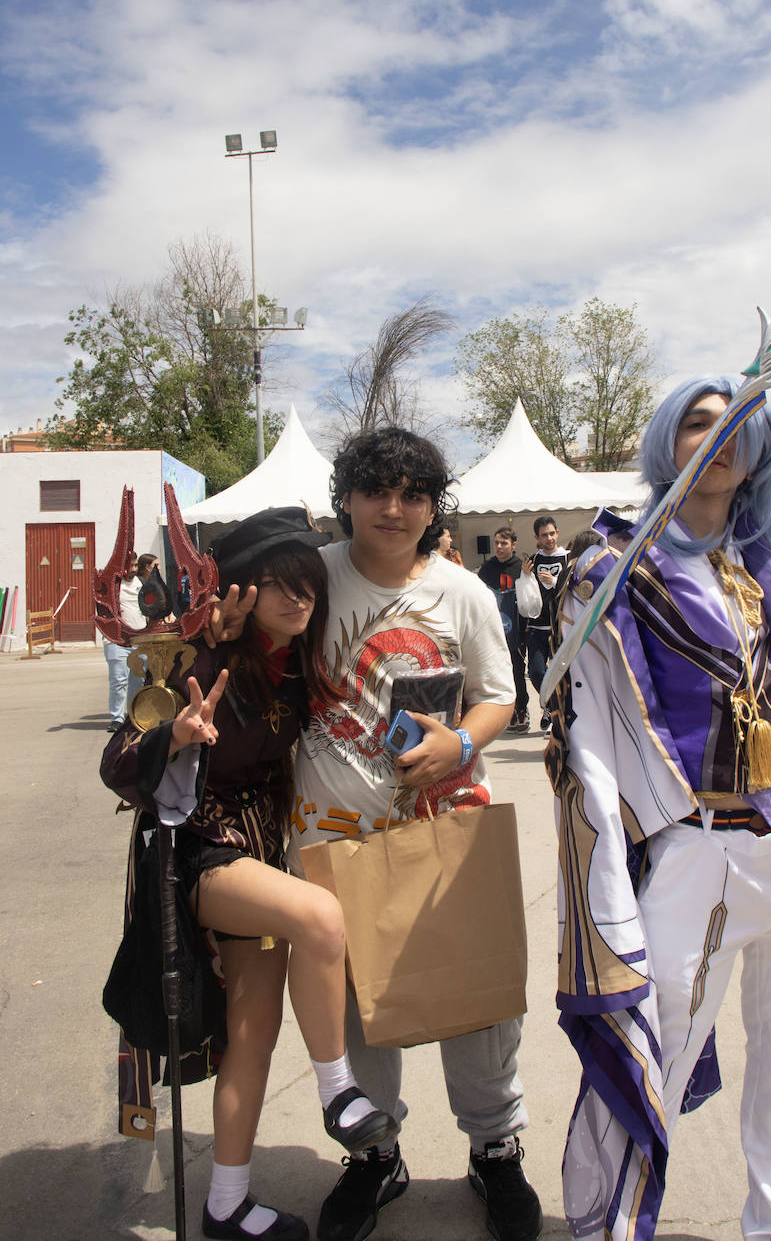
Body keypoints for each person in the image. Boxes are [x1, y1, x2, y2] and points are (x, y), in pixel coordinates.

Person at [548, 229, 771, 1241]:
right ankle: (609, 1226)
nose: (717, 439)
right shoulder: (612, 568)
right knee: (649, 1053)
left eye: (736, 426)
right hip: (694, 850)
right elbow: (587, 733)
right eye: (696, 424)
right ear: (666, 443)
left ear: (757, 448)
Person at [215, 429, 542, 1241]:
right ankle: (375, 1155)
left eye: (413, 495)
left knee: (475, 1000)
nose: (393, 510)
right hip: (333, 838)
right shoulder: (313, 578)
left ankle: (495, 1149)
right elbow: (243, 627)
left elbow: (497, 697)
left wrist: (460, 743)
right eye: (376, 492)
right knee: (358, 1008)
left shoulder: (464, 593)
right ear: (348, 498)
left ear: (434, 506)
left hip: (448, 831)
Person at [101, 509, 399, 1241]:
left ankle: (226, 1205)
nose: (297, 599)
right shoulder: (199, 658)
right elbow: (116, 764)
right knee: (321, 918)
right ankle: (340, 1096)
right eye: (277, 585)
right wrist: (174, 731)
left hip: (263, 853)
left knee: (252, 1039)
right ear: (241, 589)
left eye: (305, 584)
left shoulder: (300, 663)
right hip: (201, 856)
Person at [477, 527, 541, 733]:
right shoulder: (486, 569)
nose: (499, 547)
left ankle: (521, 710)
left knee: (516, 669)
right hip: (493, 630)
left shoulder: (520, 568)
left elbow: (530, 598)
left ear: (513, 545)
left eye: (504, 543)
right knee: (497, 672)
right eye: (496, 543)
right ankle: (506, 712)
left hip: (517, 630)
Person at [524, 516, 567, 729]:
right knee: (536, 671)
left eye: (552, 533)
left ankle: (560, 713)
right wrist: (524, 576)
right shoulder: (532, 561)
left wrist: (556, 582)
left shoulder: (568, 558)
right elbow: (524, 591)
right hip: (536, 626)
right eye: (544, 535)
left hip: (560, 627)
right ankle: (550, 704)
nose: (549, 538)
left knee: (562, 672)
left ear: (557, 532)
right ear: (537, 538)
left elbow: (575, 588)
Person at [102, 550, 146, 730]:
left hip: (140, 640)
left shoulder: (141, 583)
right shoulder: (112, 586)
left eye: (135, 565)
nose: (133, 569)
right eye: (130, 566)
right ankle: (116, 718)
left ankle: (132, 715)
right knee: (119, 680)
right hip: (117, 641)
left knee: (138, 680)